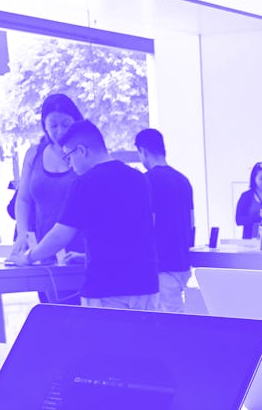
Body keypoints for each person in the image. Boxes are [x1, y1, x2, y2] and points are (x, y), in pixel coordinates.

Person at [13, 120, 159, 310]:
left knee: (106, 341)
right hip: (146, 285)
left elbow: (60, 236)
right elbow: (134, 232)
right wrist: (86, 256)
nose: (70, 165)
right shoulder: (139, 178)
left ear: (82, 150)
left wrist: (29, 257)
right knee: (142, 340)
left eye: (69, 157)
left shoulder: (85, 183)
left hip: (107, 288)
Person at [11, 93, 84, 262]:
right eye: (53, 125)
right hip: (43, 246)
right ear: (45, 126)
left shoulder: (83, 153)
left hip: (80, 247)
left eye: (66, 124)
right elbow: (23, 200)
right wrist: (22, 233)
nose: (60, 131)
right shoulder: (34, 154)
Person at [135, 127, 194, 313]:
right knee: (177, 314)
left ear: (142, 150)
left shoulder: (146, 181)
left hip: (160, 264)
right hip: (182, 262)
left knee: (167, 324)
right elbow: (191, 223)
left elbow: (145, 226)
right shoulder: (183, 180)